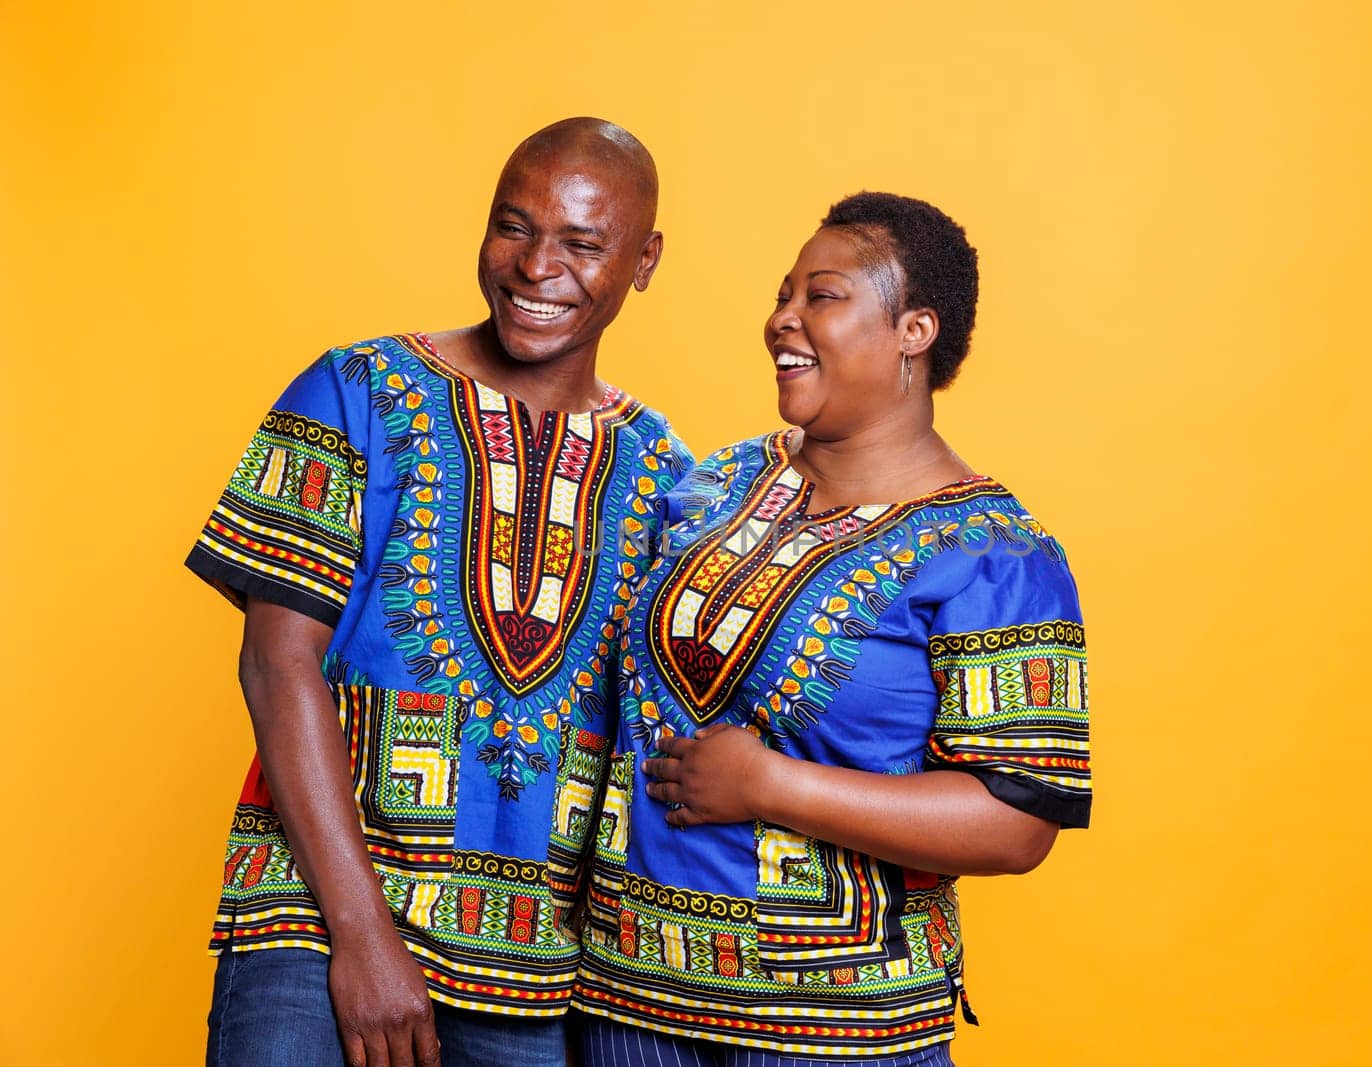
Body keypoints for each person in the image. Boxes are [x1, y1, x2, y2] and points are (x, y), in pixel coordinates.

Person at [186, 117, 693, 1067]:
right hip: (315, 922)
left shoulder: (670, 475)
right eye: (514, 226)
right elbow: (275, 661)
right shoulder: (353, 391)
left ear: (645, 259)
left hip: (536, 970)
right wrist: (363, 933)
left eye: (583, 243)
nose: (537, 266)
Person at [572, 192, 1092, 1064]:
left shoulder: (997, 556)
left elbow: (1017, 822)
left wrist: (772, 785)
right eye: (783, 294)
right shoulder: (721, 482)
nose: (784, 318)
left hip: (838, 1029)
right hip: (628, 1002)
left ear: (913, 331)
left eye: (823, 295)